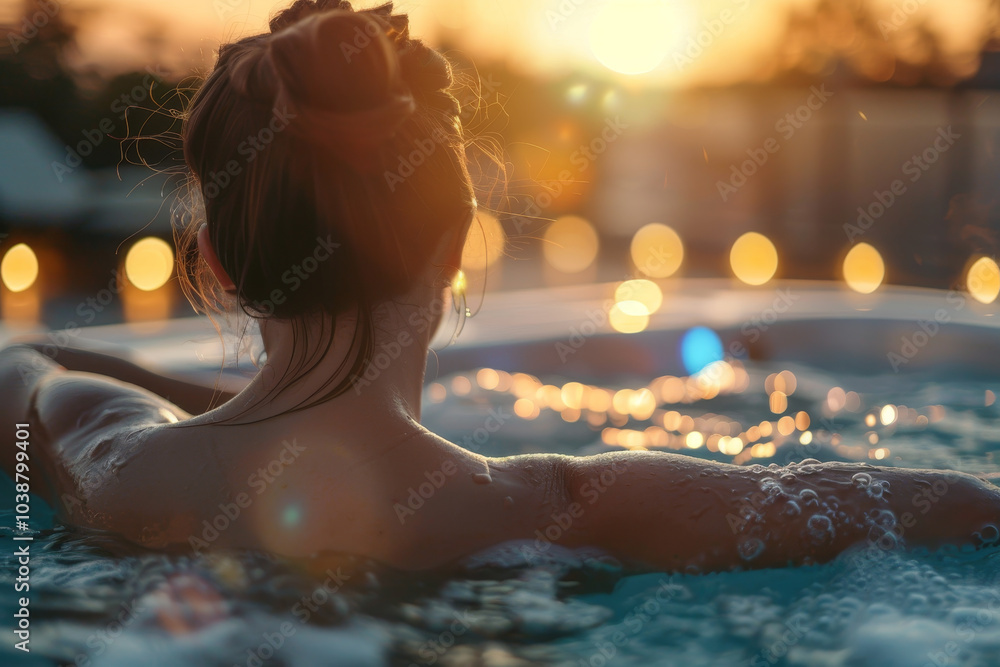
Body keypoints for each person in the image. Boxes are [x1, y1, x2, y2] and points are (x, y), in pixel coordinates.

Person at [1, 0, 998, 573]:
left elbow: (25, 360)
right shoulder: (557, 505)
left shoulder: (109, 458)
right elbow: (927, 504)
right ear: (454, 245)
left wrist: (240, 407)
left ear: (218, 262)